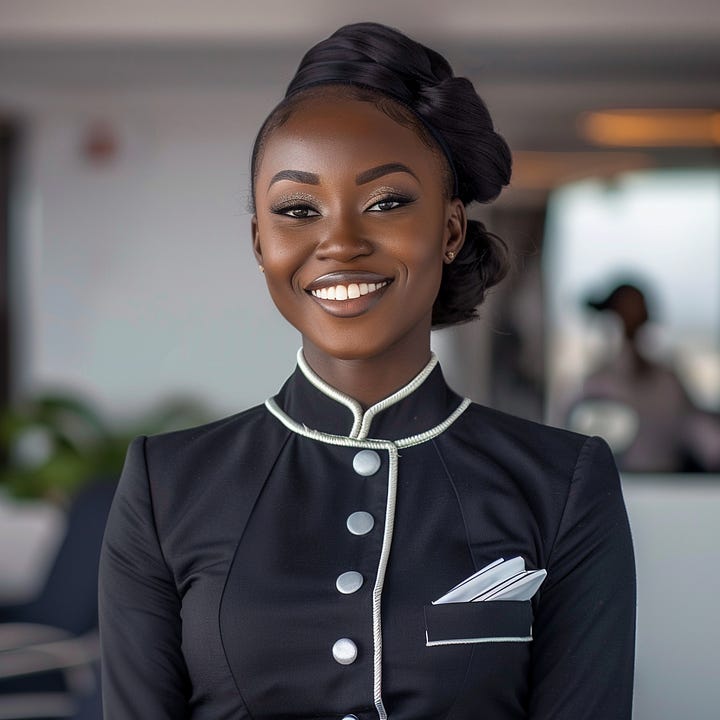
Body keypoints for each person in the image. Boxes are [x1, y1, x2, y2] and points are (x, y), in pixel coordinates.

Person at [99, 22, 636, 720]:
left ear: (448, 230)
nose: (341, 243)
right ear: (261, 242)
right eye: (297, 209)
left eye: (386, 203)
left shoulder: (562, 483)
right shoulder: (167, 487)